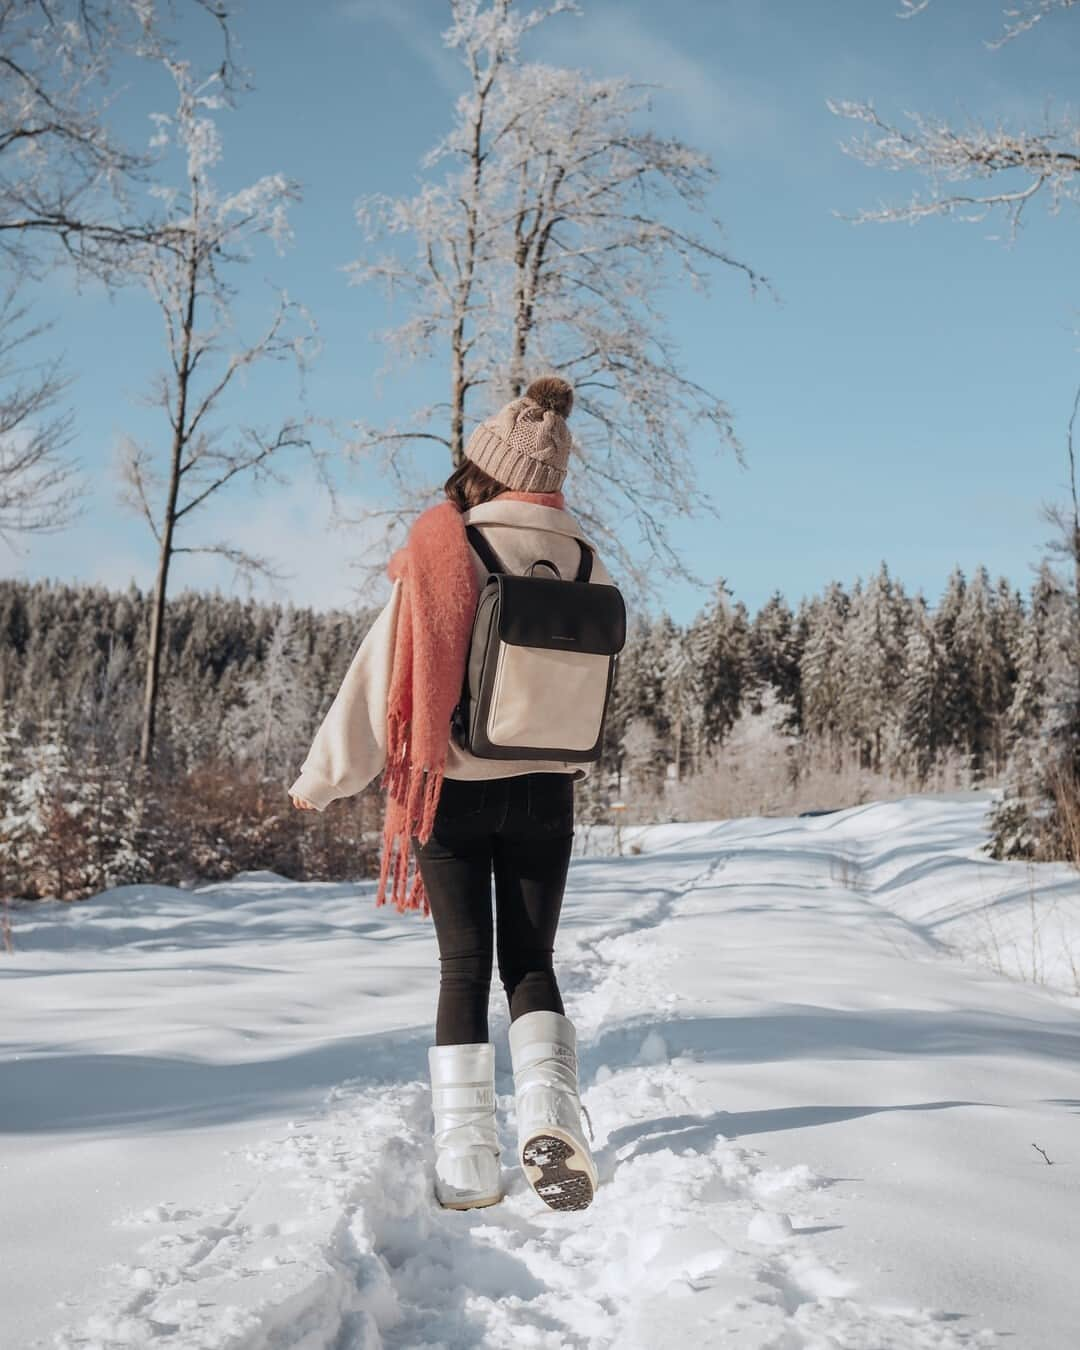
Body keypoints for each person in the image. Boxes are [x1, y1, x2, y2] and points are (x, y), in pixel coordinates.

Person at [288, 375, 617, 1214]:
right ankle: (551, 1110)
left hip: (456, 788)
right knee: (532, 962)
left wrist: (323, 778)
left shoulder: (448, 549)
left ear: (486, 465)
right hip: (548, 786)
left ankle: (470, 1160)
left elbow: (381, 676)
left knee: (463, 967)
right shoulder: (584, 556)